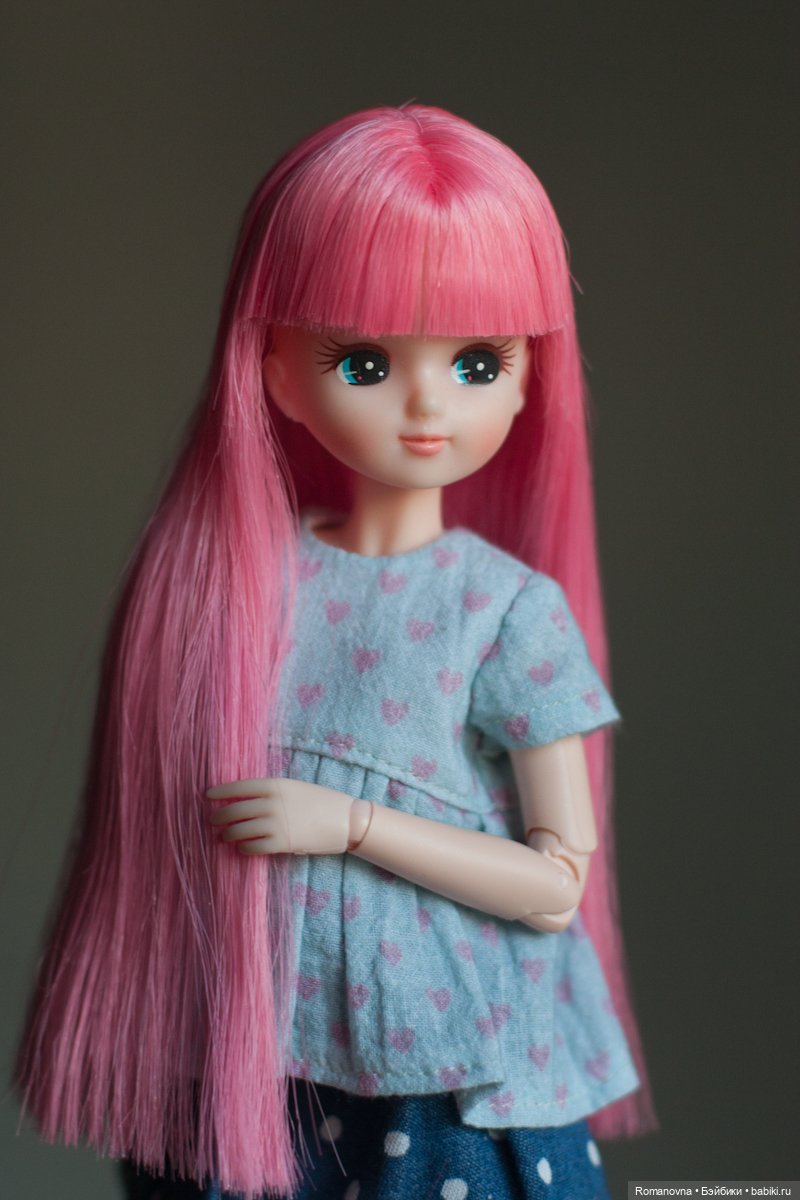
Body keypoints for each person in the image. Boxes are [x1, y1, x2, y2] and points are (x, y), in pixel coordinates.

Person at [16, 105, 653, 1200]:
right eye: (364, 361)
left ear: (526, 376)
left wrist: (353, 825)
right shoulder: (223, 588)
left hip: (440, 1078)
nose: (426, 403)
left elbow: (553, 886)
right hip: (249, 1068)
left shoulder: (505, 612)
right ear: (274, 372)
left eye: (476, 360)